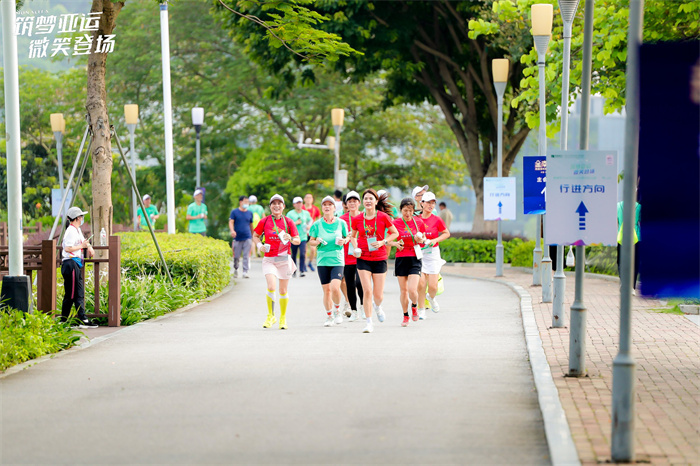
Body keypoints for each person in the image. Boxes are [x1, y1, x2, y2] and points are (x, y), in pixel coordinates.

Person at [350, 189, 399, 333]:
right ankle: (369, 322)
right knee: (367, 290)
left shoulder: (383, 217)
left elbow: (395, 233)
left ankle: (378, 307)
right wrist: (356, 247)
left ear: (376, 202)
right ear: (363, 202)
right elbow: (353, 236)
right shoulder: (358, 219)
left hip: (379, 258)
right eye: (365, 198)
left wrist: (383, 241)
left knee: (378, 295)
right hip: (363, 258)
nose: (368, 201)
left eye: (371, 198)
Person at [252, 194, 301, 330]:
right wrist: (259, 246)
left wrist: (290, 238)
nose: (277, 205)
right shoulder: (264, 221)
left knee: (283, 290)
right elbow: (255, 236)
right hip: (269, 259)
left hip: (284, 259)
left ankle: (283, 318)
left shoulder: (289, 222)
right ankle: (270, 315)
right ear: (270, 207)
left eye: (279, 203)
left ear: (283, 206)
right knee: (271, 286)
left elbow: (298, 240)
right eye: (274, 203)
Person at [308, 196, 350, 326]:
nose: (327, 207)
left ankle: (337, 310)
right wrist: (317, 241)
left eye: (330, 204)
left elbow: (347, 236)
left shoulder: (341, 223)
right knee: (326, 290)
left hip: (337, 260)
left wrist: (345, 240)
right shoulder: (317, 224)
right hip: (322, 261)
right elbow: (311, 242)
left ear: (334, 208)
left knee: (335, 287)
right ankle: (329, 316)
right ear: (322, 208)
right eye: (324, 204)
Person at [389, 198, 427, 327]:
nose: (408, 213)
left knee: (412, 289)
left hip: (415, 257)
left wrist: (420, 239)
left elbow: (424, 240)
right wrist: (395, 243)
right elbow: (387, 240)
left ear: (413, 210)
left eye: (410, 211)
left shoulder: (419, 222)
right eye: (405, 210)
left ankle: (415, 306)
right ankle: (405, 316)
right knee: (403, 290)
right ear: (401, 210)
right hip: (401, 258)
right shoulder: (395, 223)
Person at [61, 206, 97, 328]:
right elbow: (68, 248)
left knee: (79, 292)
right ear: (77, 218)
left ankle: (83, 319)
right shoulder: (70, 231)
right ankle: (63, 320)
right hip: (70, 264)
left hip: (76, 264)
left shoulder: (77, 230)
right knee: (71, 294)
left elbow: (84, 243)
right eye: (81, 217)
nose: (82, 219)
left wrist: (89, 247)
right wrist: (82, 246)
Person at [417, 192, 451, 319]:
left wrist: (435, 240)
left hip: (433, 254)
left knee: (433, 287)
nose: (431, 205)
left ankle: (430, 298)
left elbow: (446, 233)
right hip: (420, 254)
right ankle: (421, 309)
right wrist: (418, 239)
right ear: (422, 203)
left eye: (433, 203)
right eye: (428, 202)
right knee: (420, 284)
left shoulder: (437, 219)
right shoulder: (417, 219)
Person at [340, 191, 364, 322]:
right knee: (349, 284)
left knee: (360, 283)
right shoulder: (341, 219)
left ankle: (363, 306)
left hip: (362, 255)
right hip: (347, 255)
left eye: (355, 201)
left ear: (359, 203)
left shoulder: (364, 217)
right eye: (350, 201)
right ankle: (354, 310)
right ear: (346, 204)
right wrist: (345, 237)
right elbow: (338, 236)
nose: (352, 203)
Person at [617, 198, 641, 295]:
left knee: (620, 261)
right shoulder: (638, 207)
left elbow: (617, 221)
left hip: (621, 237)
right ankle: (632, 287)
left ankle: (623, 282)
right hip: (636, 237)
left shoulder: (618, 206)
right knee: (635, 262)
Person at [287, 196, 313, 277]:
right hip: (293, 237)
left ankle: (302, 270)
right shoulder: (290, 213)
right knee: (294, 254)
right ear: (294, 204)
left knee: (302, 253)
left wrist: (309, 226)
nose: (299, 205)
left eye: (300, 203)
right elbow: (286, 225)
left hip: (303, 237)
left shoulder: (306, 213)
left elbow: (311, 220)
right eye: (297, 203)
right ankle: (294, 270)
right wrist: (295, 223)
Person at [229, 195, 254, 278]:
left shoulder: (250, 213)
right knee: (236, 256)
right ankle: (236, 269)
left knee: (246, 255)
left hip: (247, 237)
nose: (247, 203)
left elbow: (251, 225)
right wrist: (232, 231)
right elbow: (231, 222)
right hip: (237, 237)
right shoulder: (234, 212)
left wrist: (253, 235)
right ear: (240, 202)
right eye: (245, 202)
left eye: (248, 202)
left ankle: (245, 271)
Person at [303, 193, 321, 271]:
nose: (308, 199)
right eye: (307, 197)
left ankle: (310, 262)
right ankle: (303, 265)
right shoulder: (302, 208)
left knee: (313, 249)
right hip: (303, 231)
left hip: (312, 232)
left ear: (312, 199)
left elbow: (319, 219)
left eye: (310, 198)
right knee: (304, 249)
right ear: (304, 199)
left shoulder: (315, 209)